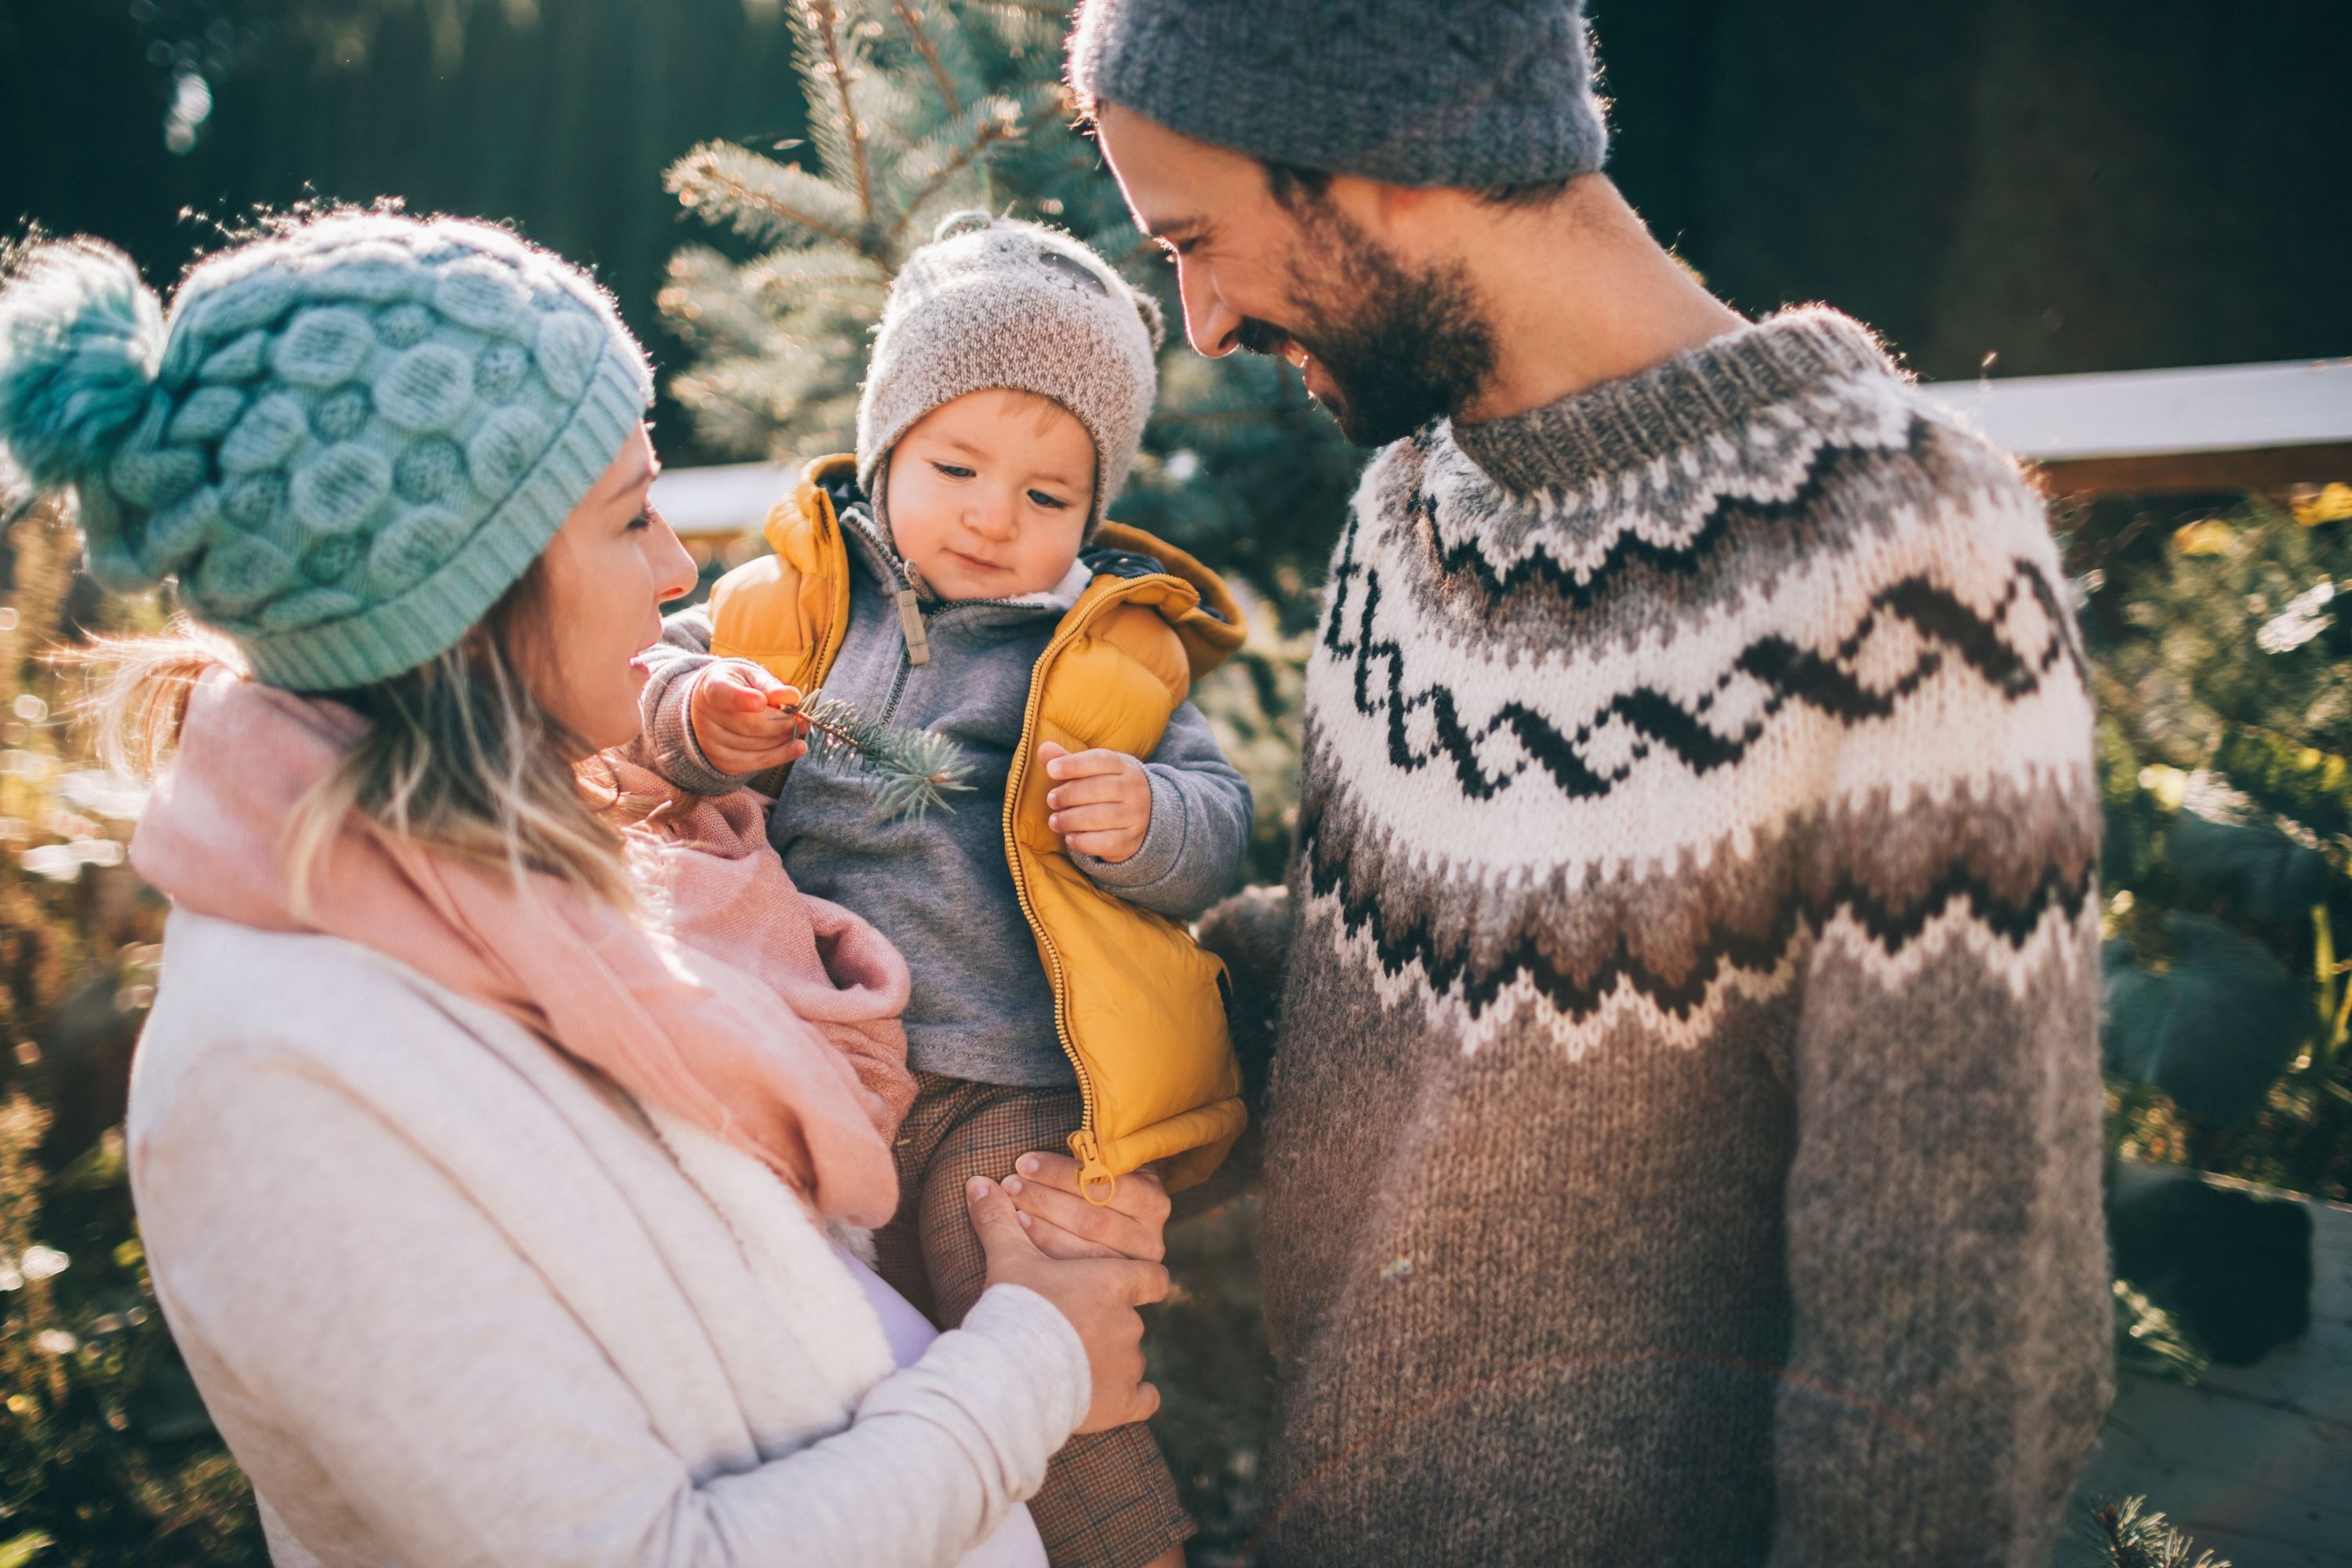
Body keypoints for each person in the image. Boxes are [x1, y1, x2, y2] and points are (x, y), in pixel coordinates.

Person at [1068, 2, 2113, 1563]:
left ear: (1384, 160)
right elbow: (1379, 1027)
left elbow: (1956, 1320)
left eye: (1196, 240)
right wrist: (1004, 985)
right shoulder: (1408, 512)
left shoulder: (1906, 558)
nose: (1204, 322)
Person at [0, 209, 1175, 1566]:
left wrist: (1043, 1228)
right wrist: (1033, 1364)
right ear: (468, 592)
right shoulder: (278, 1084)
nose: (681, 570)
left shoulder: (560, 868)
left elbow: (756, 1299)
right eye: (630, 519)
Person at [637, 211, 1254, 1568]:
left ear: (1093, 518)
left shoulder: (1110, 652)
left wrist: (1147, 816)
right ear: (884, 451)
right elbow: (636, 687)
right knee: (835, 1374)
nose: (993, 515)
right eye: (956, 465)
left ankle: (1135, 1553)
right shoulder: (780, 609)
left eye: (1047, 498)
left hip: (1008, 1076)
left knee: (1029, 1310)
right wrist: (702, 720)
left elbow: (1224, 826)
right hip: (807, 1066)